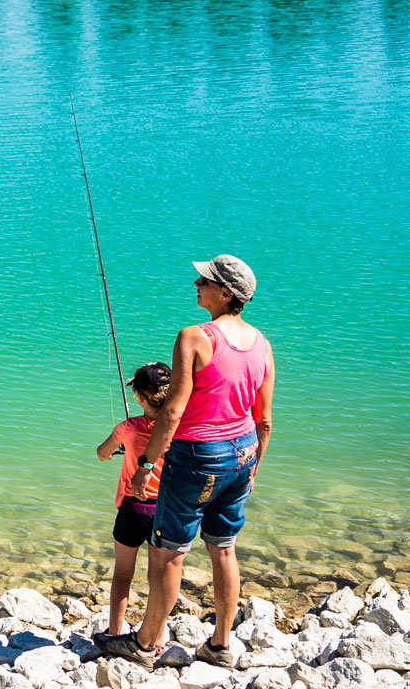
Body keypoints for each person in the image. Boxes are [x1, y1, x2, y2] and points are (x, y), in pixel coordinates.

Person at [103, 255, 274, 670]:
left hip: (199, 455)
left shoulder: (194, 337)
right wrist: (252, 470)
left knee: (167, 554)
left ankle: (143, 645)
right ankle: (220, 645)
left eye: (205, 280)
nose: (196, 283)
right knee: (224, 549)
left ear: (226, 293)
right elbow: (264, 420)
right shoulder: (262, 343)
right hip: (243, 453)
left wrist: (145, 464)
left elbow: (173, 413)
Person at [93, 363, 174, 645]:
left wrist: (122, 447)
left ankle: (114, 631)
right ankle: (157, 638)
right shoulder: (179, 428)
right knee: (159, 579)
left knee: (123, 574)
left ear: (139, 398)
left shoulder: (127, 428)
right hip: (164, 512)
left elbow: (102, 454)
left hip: (131, 510)